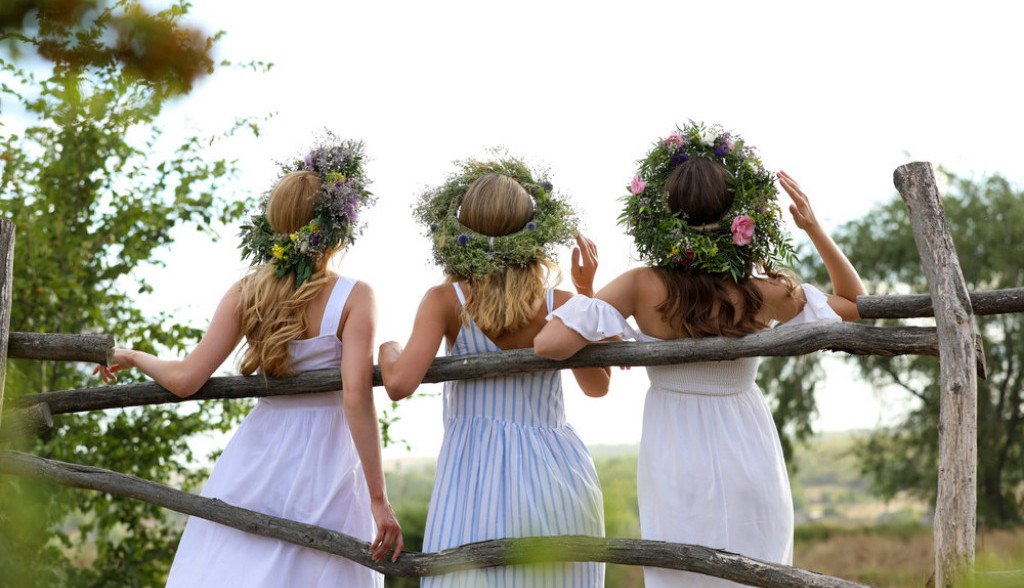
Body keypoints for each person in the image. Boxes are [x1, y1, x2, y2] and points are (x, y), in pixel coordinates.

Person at [534, 123, 866, 588]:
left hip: (674, 446)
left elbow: (549, 345)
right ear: (741, 214)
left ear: (663, 213)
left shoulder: (641, 285)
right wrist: (812, 226)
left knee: (683, 572)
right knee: (759, 570)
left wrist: (590, 300)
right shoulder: (759, 290)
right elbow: (854, 305)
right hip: (748, 440)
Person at [95, 134, 402, 587]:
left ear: (275, 223)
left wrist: (135, 355)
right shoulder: (356, 297)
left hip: (258, 456)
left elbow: (184, 379)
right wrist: (378, 499)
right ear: (336, 227)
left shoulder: (247, 292)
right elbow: (356, 398)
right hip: (328, 462)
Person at [378, 159, 607, 587]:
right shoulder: (559, 301)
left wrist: (388, 349)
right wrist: (588, 294)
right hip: (557, 472)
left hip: (473, 472)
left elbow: (398, 383)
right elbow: (597, 387)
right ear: (532, 230)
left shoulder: (446, 300)